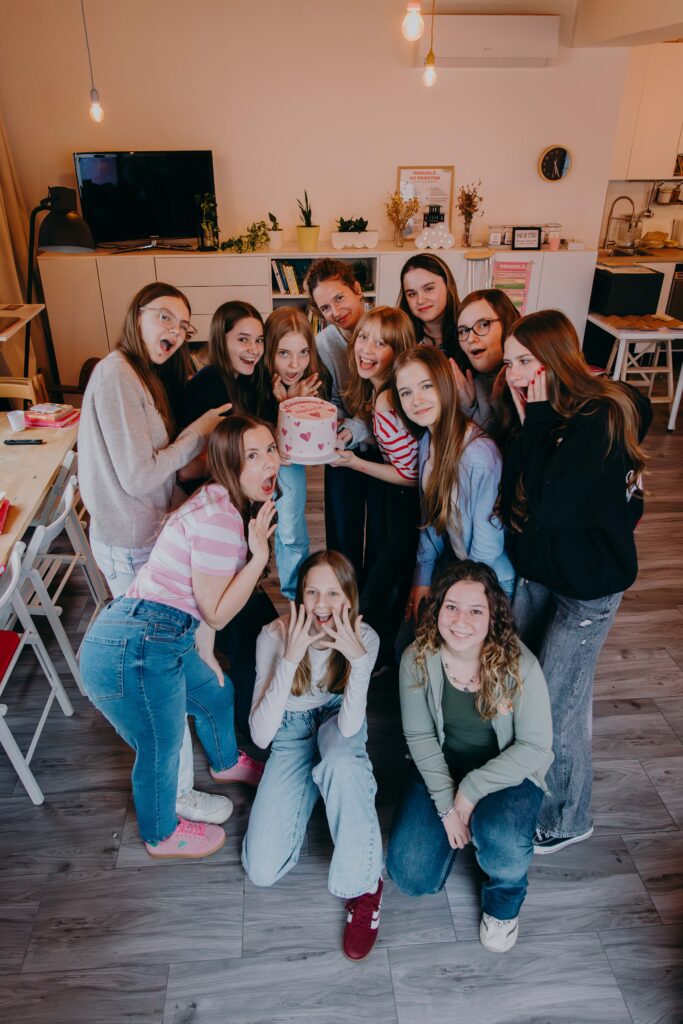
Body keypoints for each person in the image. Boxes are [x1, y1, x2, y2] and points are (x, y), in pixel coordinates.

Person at [80, 415, 279, 859]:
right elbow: (216, 610)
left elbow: (203, 599)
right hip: (137, 645)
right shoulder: (221, 520)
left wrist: (205, 651)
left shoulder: (219, 499)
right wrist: (258, 556)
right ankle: (160, 835)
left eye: (270, 449)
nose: (269, 462)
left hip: (158, 632)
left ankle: (226, 763)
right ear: (228, 464)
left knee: (216, 692)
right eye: (252, 455)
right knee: (161, 745)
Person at [78, 281, 232, 825]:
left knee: (170, 655)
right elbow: (140, 473)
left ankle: (193, 756)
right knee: (156, 668)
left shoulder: (137, 374)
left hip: (141, 533)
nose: (174, 331)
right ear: (136, 315)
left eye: (183, 325)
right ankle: (177, 794)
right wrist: (201, 431)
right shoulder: (116, 375)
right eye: (164, 316)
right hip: (129, 542)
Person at [500, 309, 652, 854]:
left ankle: (568, 818)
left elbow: (551, 505)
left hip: (587, 591)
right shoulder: (541, 411)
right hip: (540, 573)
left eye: (526, 361)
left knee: (558, 702)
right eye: (510, 363)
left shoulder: (598, 416)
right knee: (529, 686)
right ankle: (529, 779)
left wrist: (537, 419)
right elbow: (524, 487)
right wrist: (533, 421)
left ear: (555, 359)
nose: (516, 374)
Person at [386, 561, 553, 953]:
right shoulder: (416, 658)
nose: (461, 621)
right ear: (437, 609)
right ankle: (464, 836)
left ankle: (503, 903)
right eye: (451, 607)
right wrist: (448, 808)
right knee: (409, 875)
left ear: (493, 615)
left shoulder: (521, 665)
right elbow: (420, 736)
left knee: (502, 840)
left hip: (507, 770)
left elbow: (535, 747)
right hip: (443, 763)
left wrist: (471, 791)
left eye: (476, 610)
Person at [242, 550, 383, 961]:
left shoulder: (366, 638)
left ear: (349, 598)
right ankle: (321, 786)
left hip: (338, 721)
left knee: (341, 761)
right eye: (312, 592)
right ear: (299, 597)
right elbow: (261, 736)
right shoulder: (273, 635)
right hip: (289, 730)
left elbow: (350, 729)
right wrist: (289, 659)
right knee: (261, 869)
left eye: (334, 593)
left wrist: (358, 661)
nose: (322, 604)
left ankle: (366, 886)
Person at [176, 301, 279, 743]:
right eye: (243, 339)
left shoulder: (245, 381)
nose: (253, 348)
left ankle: (248, 722)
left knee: (258, 627)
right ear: (221, 338)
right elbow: (188, 469)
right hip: (213, 524)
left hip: (233, 519)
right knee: (249, 632)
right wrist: (240, 463)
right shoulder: (210, 387)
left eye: (259, 340)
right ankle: (245, 733)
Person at [392, 346, 515, 632]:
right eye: (406, 392)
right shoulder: (427, 441)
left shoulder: (478, 455)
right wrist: (422, 577)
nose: (416, 400)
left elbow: (487, 548)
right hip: (457, 562)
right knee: (406, 639)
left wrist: (454, 600)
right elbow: (430, 518)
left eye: (426, 386)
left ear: (445, 385)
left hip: (488, 580)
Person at [332, 306, 420, 659]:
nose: (366, 349)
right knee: (382, 576)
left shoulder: (385, 400)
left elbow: (409, 475)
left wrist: (353, 462)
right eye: (363, 338)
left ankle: (368, 656)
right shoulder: (384, 390)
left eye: (380, 343)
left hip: (405, 502)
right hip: (395, 498)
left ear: (397, 353)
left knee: (382, 582)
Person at [304, 258, 385, 581]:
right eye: (325, 307)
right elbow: (334, 400)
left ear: (357, 289)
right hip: (344, 441)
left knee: (381, 530)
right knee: (341, 525)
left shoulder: (384, 330)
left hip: (384, 444)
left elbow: (385, 402)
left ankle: (375, 596)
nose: (335, 312)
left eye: (339, 298)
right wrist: (336, 423)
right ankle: (343, 589)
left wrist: (352, 429)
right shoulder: (324, 344)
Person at [263, 306, 330, 599]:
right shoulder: (256, 380)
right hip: (251, 465)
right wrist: (286, 405)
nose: (295, 365)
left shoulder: (311, 381)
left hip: (286, 463)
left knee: (290, 527)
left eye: (303, 353)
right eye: (284, 353)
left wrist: (291, 405)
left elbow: (291, 450)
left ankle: (294, 596)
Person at [454, 288, 520, 437]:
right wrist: (468, 407)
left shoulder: (532, 376)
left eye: (483, 324)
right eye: (463, 331)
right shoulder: (469, 385)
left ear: (507, 323)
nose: (471, 339)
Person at [397, 253, 465, 368]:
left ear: (448, 286)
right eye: (412, 294)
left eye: (428, 289)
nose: (420, 300)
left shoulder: (469, 334)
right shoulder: (400, 337)